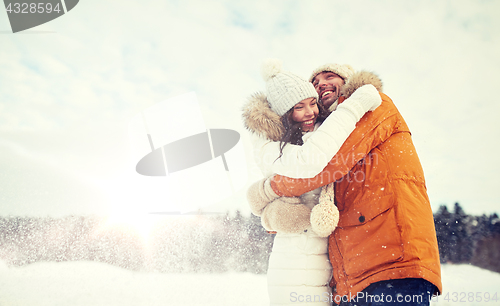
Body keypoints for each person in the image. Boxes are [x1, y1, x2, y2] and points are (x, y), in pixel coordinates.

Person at [249, 63, 443, 305]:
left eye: (329, 76)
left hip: (391, 261)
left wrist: (266, 192)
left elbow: (325, 166)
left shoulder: (372, 105)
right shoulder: (326, 131)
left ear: (348, 80)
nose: (321, 84)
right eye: (316, 84)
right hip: (355, 273)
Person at [244, 59, 382, 306]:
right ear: (285, 114)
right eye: (299, 107)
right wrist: (352, 107)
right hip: (292, 265)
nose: (311, 112)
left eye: (312, 103)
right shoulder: (268, 145)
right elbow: (311, 161)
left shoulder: (313, 132)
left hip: (326, 265)